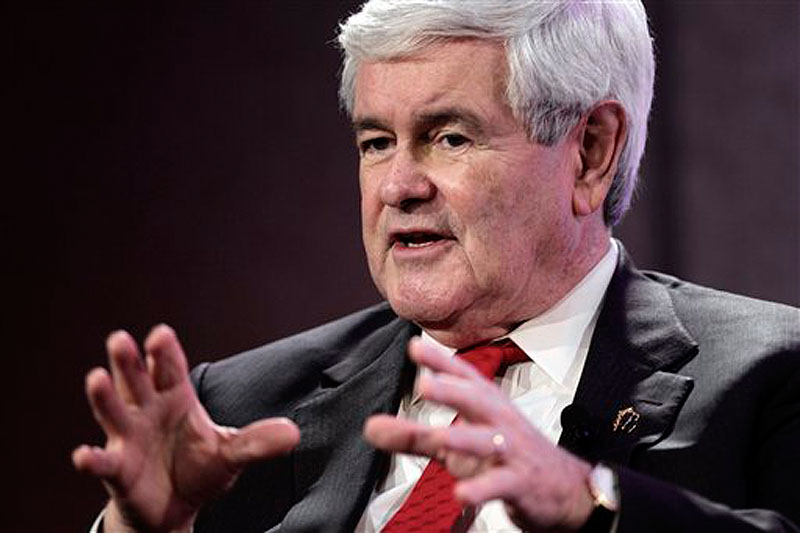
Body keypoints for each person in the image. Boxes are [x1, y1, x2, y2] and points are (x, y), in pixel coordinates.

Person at [74, 1, 800, 531]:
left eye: (449, 138)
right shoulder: (239, 414)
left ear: (591, 153)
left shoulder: (771, 378)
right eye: (376, 141)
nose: (397, 187)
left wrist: (592, 505)